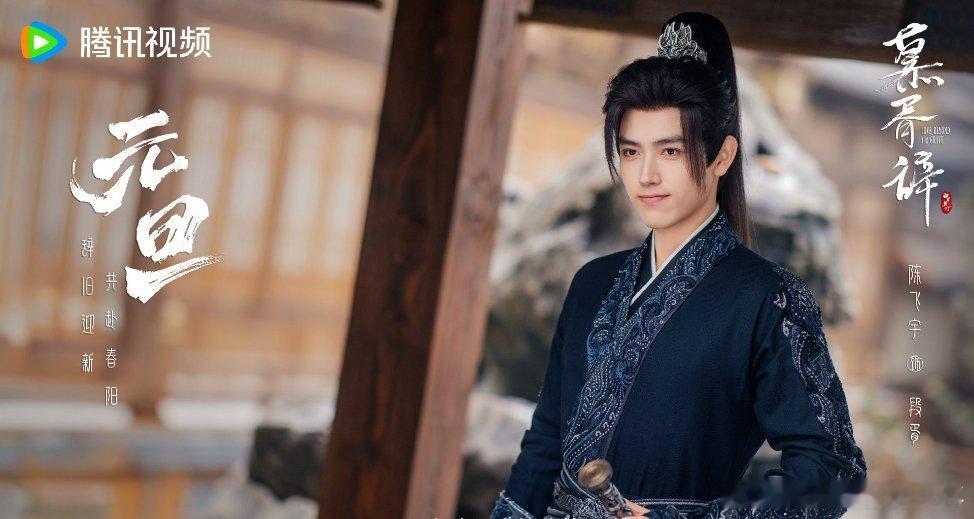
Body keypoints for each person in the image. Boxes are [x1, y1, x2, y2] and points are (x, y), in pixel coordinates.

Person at [489, 12, 867, 519]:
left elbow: (832, 467)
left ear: (721, 156)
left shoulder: (768, 299)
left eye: (670, 151)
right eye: (630, 152)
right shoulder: (592, 283)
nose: (646, 175)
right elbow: (545, 442)